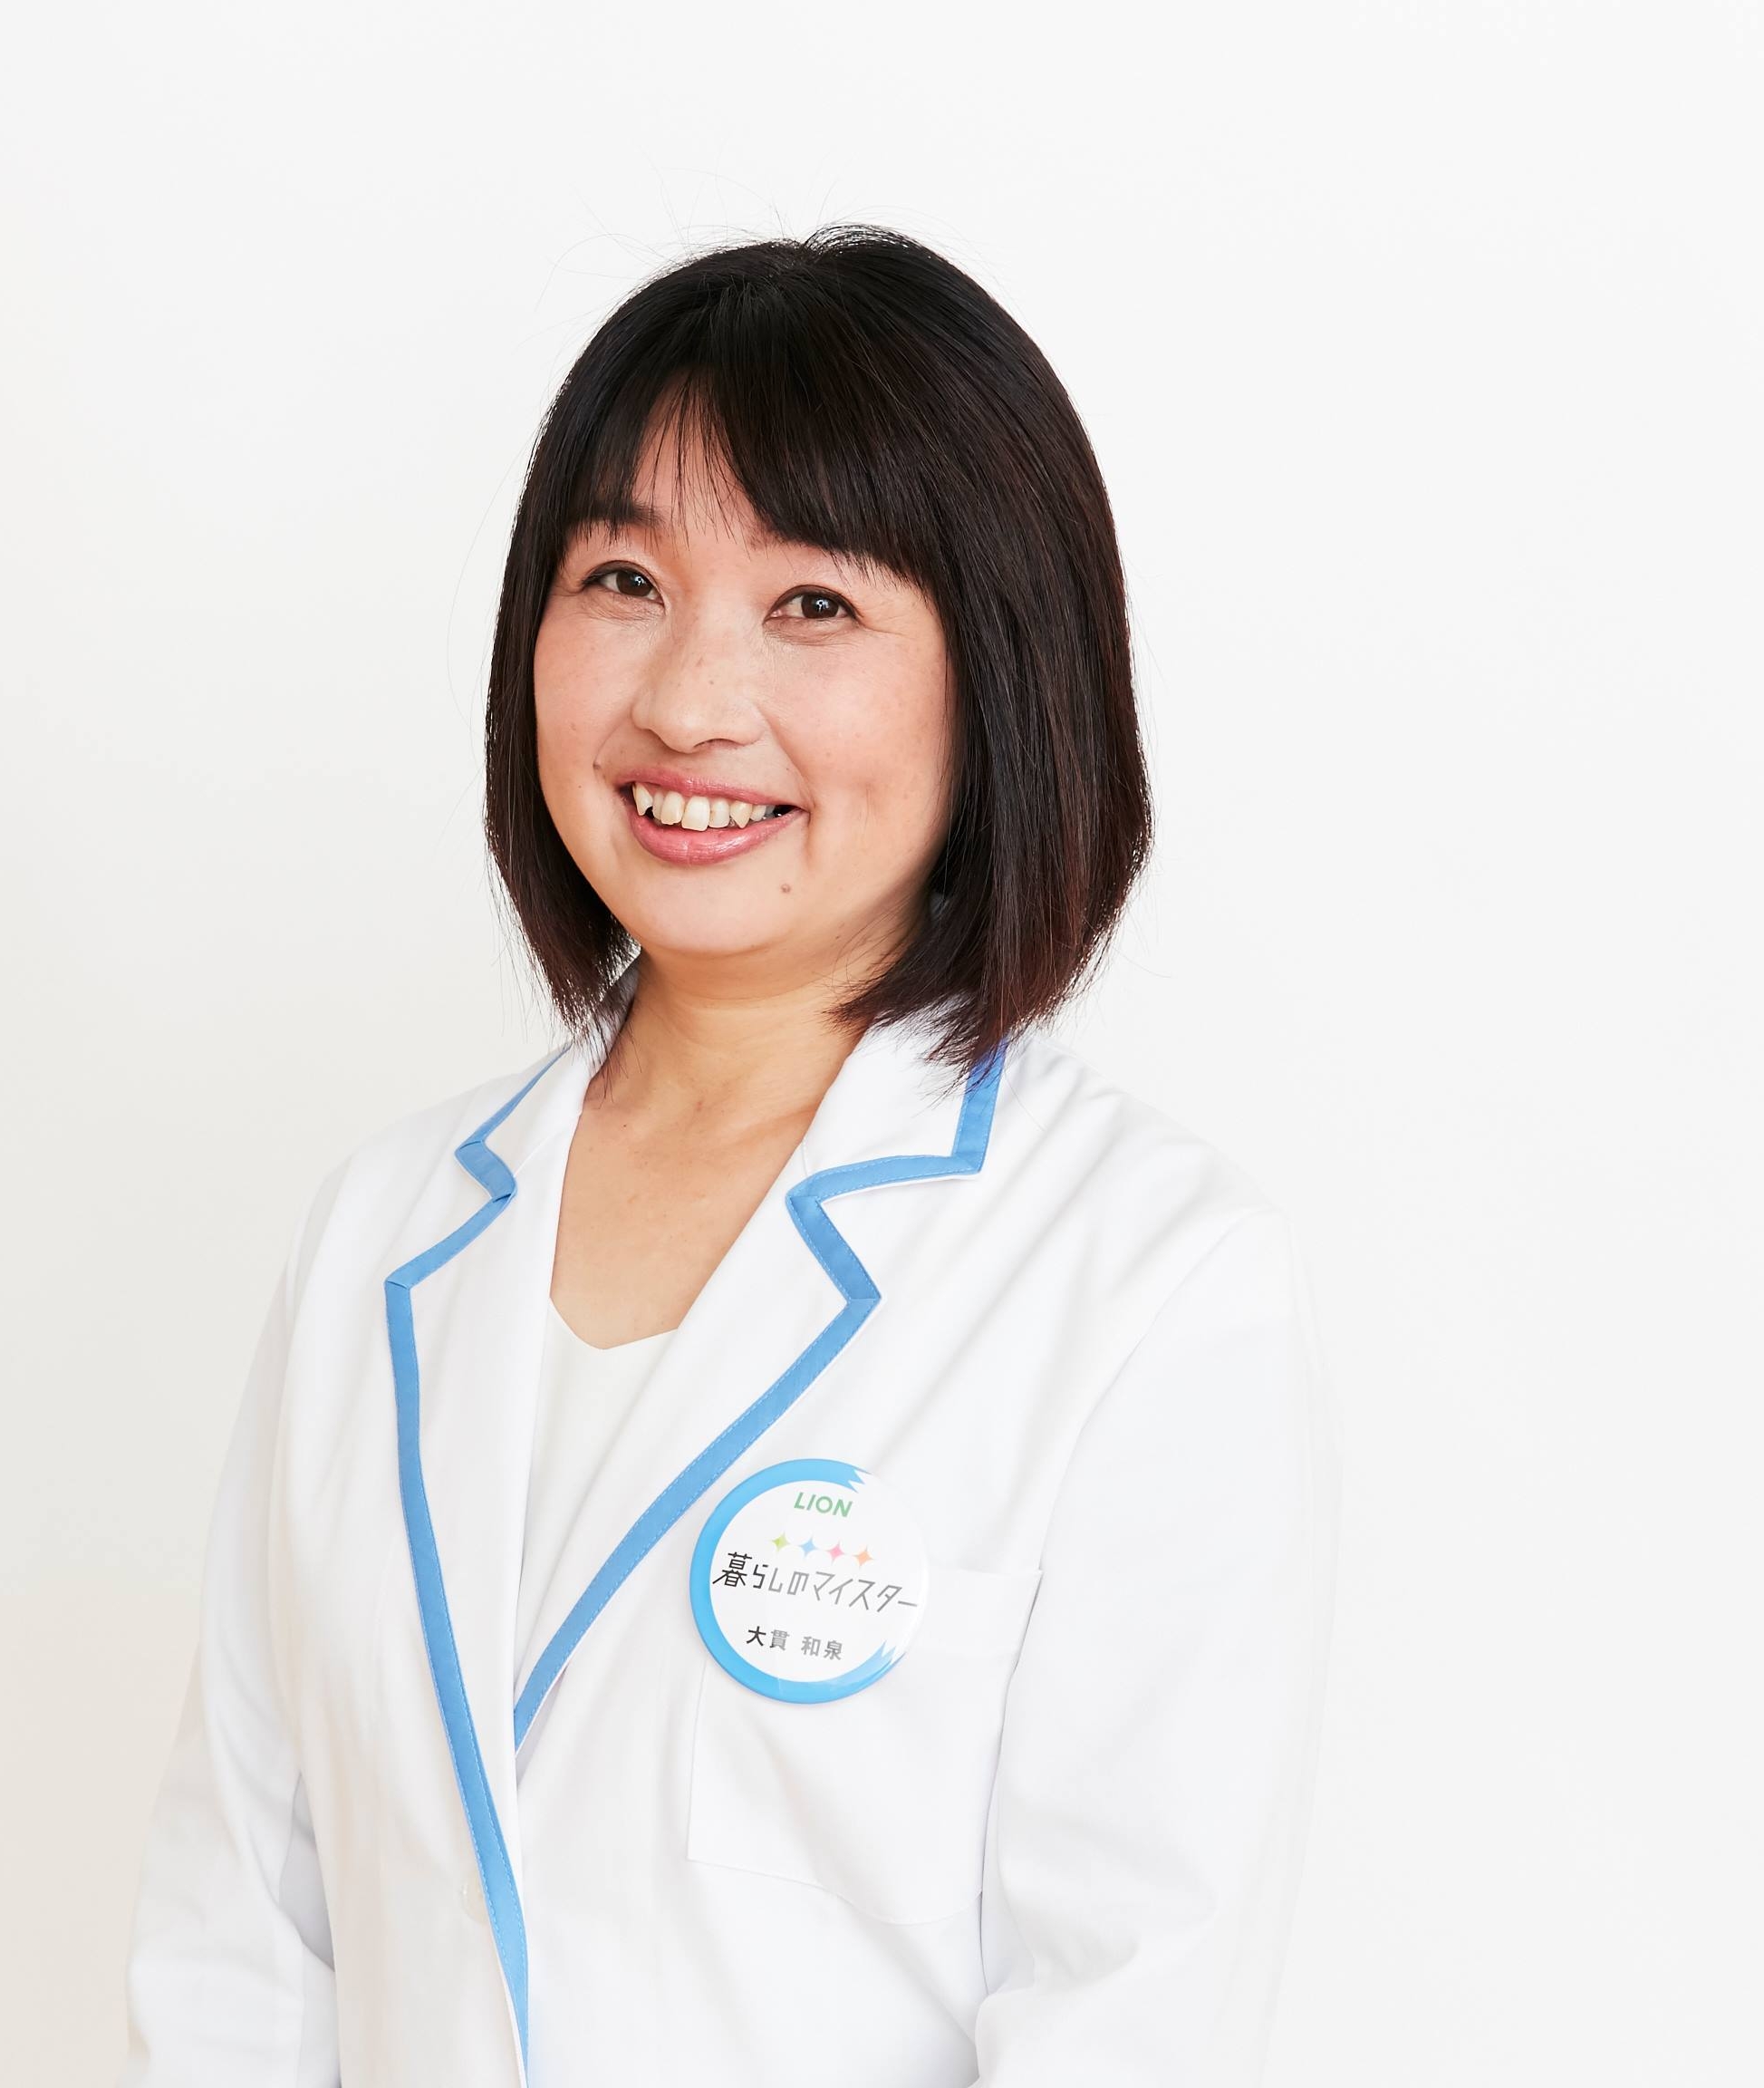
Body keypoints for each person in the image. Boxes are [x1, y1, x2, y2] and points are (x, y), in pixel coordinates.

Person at [118, 226, 1337, 2087]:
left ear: (1003, 678)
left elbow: (1130, 2008)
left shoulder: (1145, 1282)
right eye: (623, 579)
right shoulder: (383, 1235)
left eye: (813, 605)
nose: (688, 701)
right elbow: (243, 1939)